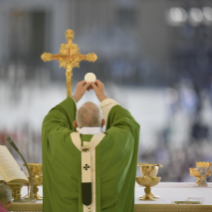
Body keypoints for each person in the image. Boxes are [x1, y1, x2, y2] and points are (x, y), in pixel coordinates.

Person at [42, 80, 140, 212]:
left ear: (75, 124)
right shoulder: (119, 141)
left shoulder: (58, 140)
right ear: (103, 123)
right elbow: (129, 124)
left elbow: (51, 121)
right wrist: (102, 97)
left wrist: (76, 96)